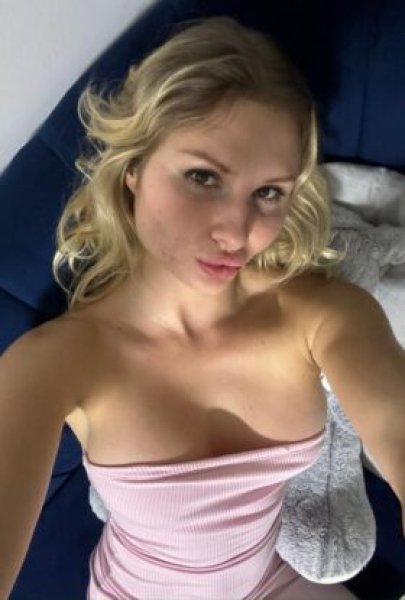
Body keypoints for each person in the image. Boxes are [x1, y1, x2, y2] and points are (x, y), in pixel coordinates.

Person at [1, 16, 404, 600]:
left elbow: (395, 427)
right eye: (203, 177)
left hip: (270, 580)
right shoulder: (59, 359)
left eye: (268, 192)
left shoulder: (322, 313)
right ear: (134, 169)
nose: (236, 232)